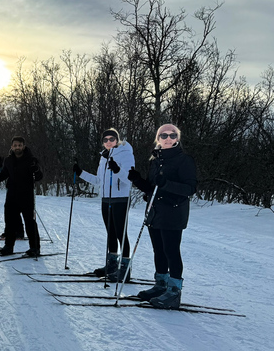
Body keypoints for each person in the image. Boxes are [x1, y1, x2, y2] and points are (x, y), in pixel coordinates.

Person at [128, 124, 197, 309]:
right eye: (163, 135)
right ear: (158, 138)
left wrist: (166, 183)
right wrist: (137, 180)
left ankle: (174, 292)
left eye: (172, 135)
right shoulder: (156, 160)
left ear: (177, 138)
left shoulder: (184, 160)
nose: (168, 138)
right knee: (158, 251)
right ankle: (161, 285)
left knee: (171, 251)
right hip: (155, 213)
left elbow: (189, 189)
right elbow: (153, 188)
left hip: (173, 213)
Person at [73, 128, 135, 281]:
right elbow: (98, 181)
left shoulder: (126, 153)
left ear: (117, 140)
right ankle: (112, 265)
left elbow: (129, 179)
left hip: (120, 199)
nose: (108, 142)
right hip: (106, 199)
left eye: (112, 139)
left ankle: (125, 270)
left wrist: (118, 170)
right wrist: (81, 173)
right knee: (111, 234)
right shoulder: (103, 156)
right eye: (105, 140)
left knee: (121, 234)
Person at [0, 136, 43, 256]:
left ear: (23, 146)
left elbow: (39, 177)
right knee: (10, 222)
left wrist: (36, 170)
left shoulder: (31, 160)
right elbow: (4, 175)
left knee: (29, 222)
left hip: (26, 195)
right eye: (15, 145)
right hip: (12, 195)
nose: (17, 148)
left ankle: (35, 248)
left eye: (19, 145)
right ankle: (8, 247)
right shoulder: (9, 160)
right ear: (11, 147)